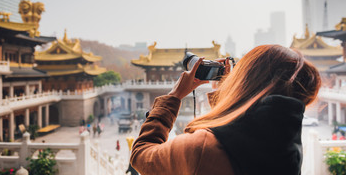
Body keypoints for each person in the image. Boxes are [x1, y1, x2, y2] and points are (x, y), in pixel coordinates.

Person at [130, 45, 321, 175]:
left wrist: (173, 96)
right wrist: (226, 97)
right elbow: (244, 131)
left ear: (246, 81)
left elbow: (141, 154)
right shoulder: (287, 143)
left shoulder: (202, 147)